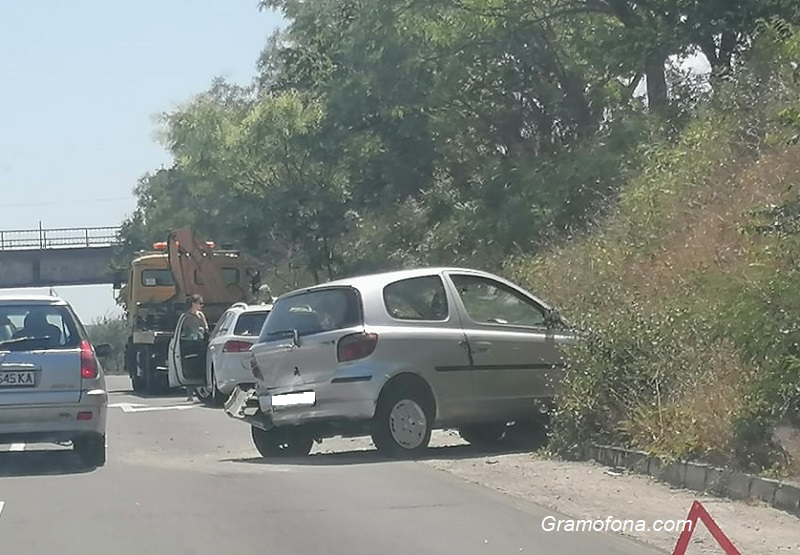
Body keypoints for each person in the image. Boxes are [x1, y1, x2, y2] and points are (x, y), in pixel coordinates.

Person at [182, 294, 209, 401]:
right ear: (193, 304)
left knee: (200, 367)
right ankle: (189, 394)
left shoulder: (201, 315)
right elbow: (185, 331)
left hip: (200, 343)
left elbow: (206, 327)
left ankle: (202, 391)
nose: (201, 305)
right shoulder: (186, 317)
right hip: (190, 344)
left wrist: (202, 331)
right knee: (190, 368)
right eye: (199, 303)